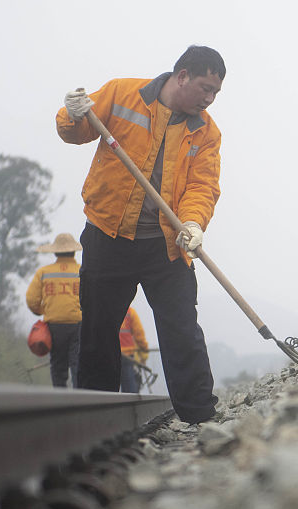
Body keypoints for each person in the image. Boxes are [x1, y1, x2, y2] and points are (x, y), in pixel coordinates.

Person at [56, 44, 224, 422]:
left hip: (166, 244)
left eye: (216, 93)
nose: (209, 99)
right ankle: (93, 418)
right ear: (182, 76)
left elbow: (203, 185)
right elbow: (75, 131)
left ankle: (200, 417)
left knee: (182, 330)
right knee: (98, 331)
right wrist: (71, 113)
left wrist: (194, 222)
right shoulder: (121, 94)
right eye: (204, 88)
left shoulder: (206, 132)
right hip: (108, 235)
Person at [25, 233, 82, 388]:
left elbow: (31, 300)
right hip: (77, 325)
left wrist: (45, 310)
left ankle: (61, 401)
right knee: (77, 364)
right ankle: (81, 400)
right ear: (74, 251)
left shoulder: (44, 272)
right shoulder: (82, 271)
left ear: (55, 252)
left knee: (58, 365)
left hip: (54, 326)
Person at [119, 305, 149, 393]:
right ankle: (130, 405)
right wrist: (144, 352)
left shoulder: (107, 310)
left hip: (111, 354)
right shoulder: (130, 312)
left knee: (110, 388)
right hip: (127, 355)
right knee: (129, 388)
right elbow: (139, 334)